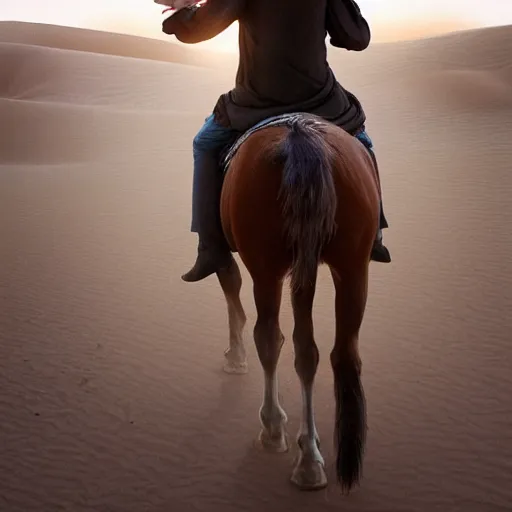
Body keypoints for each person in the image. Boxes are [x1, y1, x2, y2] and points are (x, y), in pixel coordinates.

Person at [161, 0, 392, 283]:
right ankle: (374, 234)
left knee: (204, 143)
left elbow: (198, 30)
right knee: (361, 140)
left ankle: (211, 248)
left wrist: (184, 10)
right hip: (320, 100)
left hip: (256, 101)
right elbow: (356, 37)